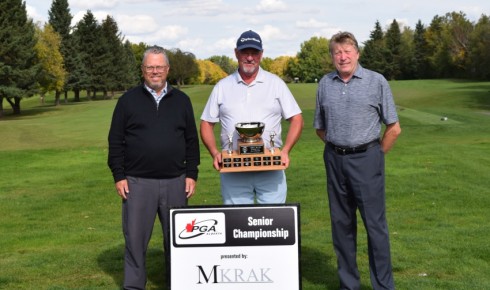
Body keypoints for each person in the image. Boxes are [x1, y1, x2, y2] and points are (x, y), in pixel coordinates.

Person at [313, 31, 401, 290]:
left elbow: (394, 128)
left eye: (347, 51)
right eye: (337, 52)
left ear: (357, 53)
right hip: (335, 159)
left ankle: (383, 286)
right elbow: (320, 128)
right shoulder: (325, 83)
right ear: (332, 57)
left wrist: (374, 156)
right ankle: (349, 285)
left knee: (375, 227)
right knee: (341, 226)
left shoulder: (376, 81)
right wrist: (340, 147)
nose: (343, 57)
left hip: (368, 159)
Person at [107, 46, 200, 290]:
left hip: (176, 182)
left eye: (159, 67)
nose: (155, 71)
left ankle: (179, 284)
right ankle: (134, 286)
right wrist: (119, 176)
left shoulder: (182, 100)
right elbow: (115, 141)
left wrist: (192, 174)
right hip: (137, 183)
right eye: (150, 67)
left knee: (179, 241)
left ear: (167, 69)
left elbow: (191, 140)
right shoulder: (127, 101)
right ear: (143, 70)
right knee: (136, 242)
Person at [200, 30, 303, 205]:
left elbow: (297, 119)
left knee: (273, 223)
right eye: (245, 52)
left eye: (254, 53)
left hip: (271, 168)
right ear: (236, 53)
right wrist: (215, 153)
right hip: (233, 169)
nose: (249, 58)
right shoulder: (222, 86)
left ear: (261, 54)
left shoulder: (276, 83)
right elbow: (206, 123)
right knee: (237, 225)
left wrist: (285, 151)